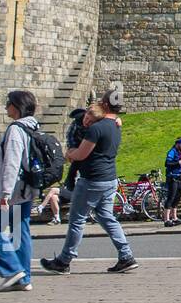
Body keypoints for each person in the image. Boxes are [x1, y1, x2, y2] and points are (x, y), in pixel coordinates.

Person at [42, 95, 139, 274]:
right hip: (110, 179)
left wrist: (70, 153)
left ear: (104, 104)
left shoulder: (97, 128)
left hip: (93, 180)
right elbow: (115, 121)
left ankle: (64, 261)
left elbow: (81, 154)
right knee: (105, 217)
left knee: (77, 219)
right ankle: (126, 256)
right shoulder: (116, 126)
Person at [0, 89, 40, 291]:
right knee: (20, 230)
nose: (5, 107)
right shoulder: (33, 127)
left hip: (14, 190)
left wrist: (5, 194)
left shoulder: (16, 130)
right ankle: (23, 278)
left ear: (17, 107)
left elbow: (12, 164)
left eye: (8, 103)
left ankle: (12, 269)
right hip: (27, 188)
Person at [163, 136, 181, 226]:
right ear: (178, 143)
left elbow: (179, 165)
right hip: (172, 177)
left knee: (177, 198)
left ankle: (174, 217)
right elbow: (167, 163)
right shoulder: (172, 151)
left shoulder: (179, 152)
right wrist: (180, 162)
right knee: (171, 197)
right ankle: (166, 220)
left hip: (179, 177)